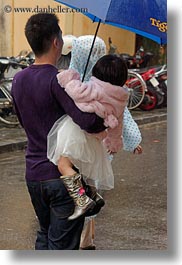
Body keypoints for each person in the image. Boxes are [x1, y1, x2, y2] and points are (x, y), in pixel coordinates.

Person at [11, 14, 106, 250]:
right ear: (56, 42)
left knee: (44, 236)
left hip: (33, 175)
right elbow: (88, 122)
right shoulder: (59, 81)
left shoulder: (18, 80)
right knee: (61, 248)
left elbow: (23, 120)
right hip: (62, 178)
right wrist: (104, 113)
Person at [48, 54, 129, 220]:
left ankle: (81, 199)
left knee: (64, 165)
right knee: (87, 168)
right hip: (96, 137)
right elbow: (118, 125)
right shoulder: (121, 99)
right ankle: (94, 195)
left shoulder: (95, 88)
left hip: (75, 132)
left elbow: (76, 93)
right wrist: (113, 143)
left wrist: (69, 77)